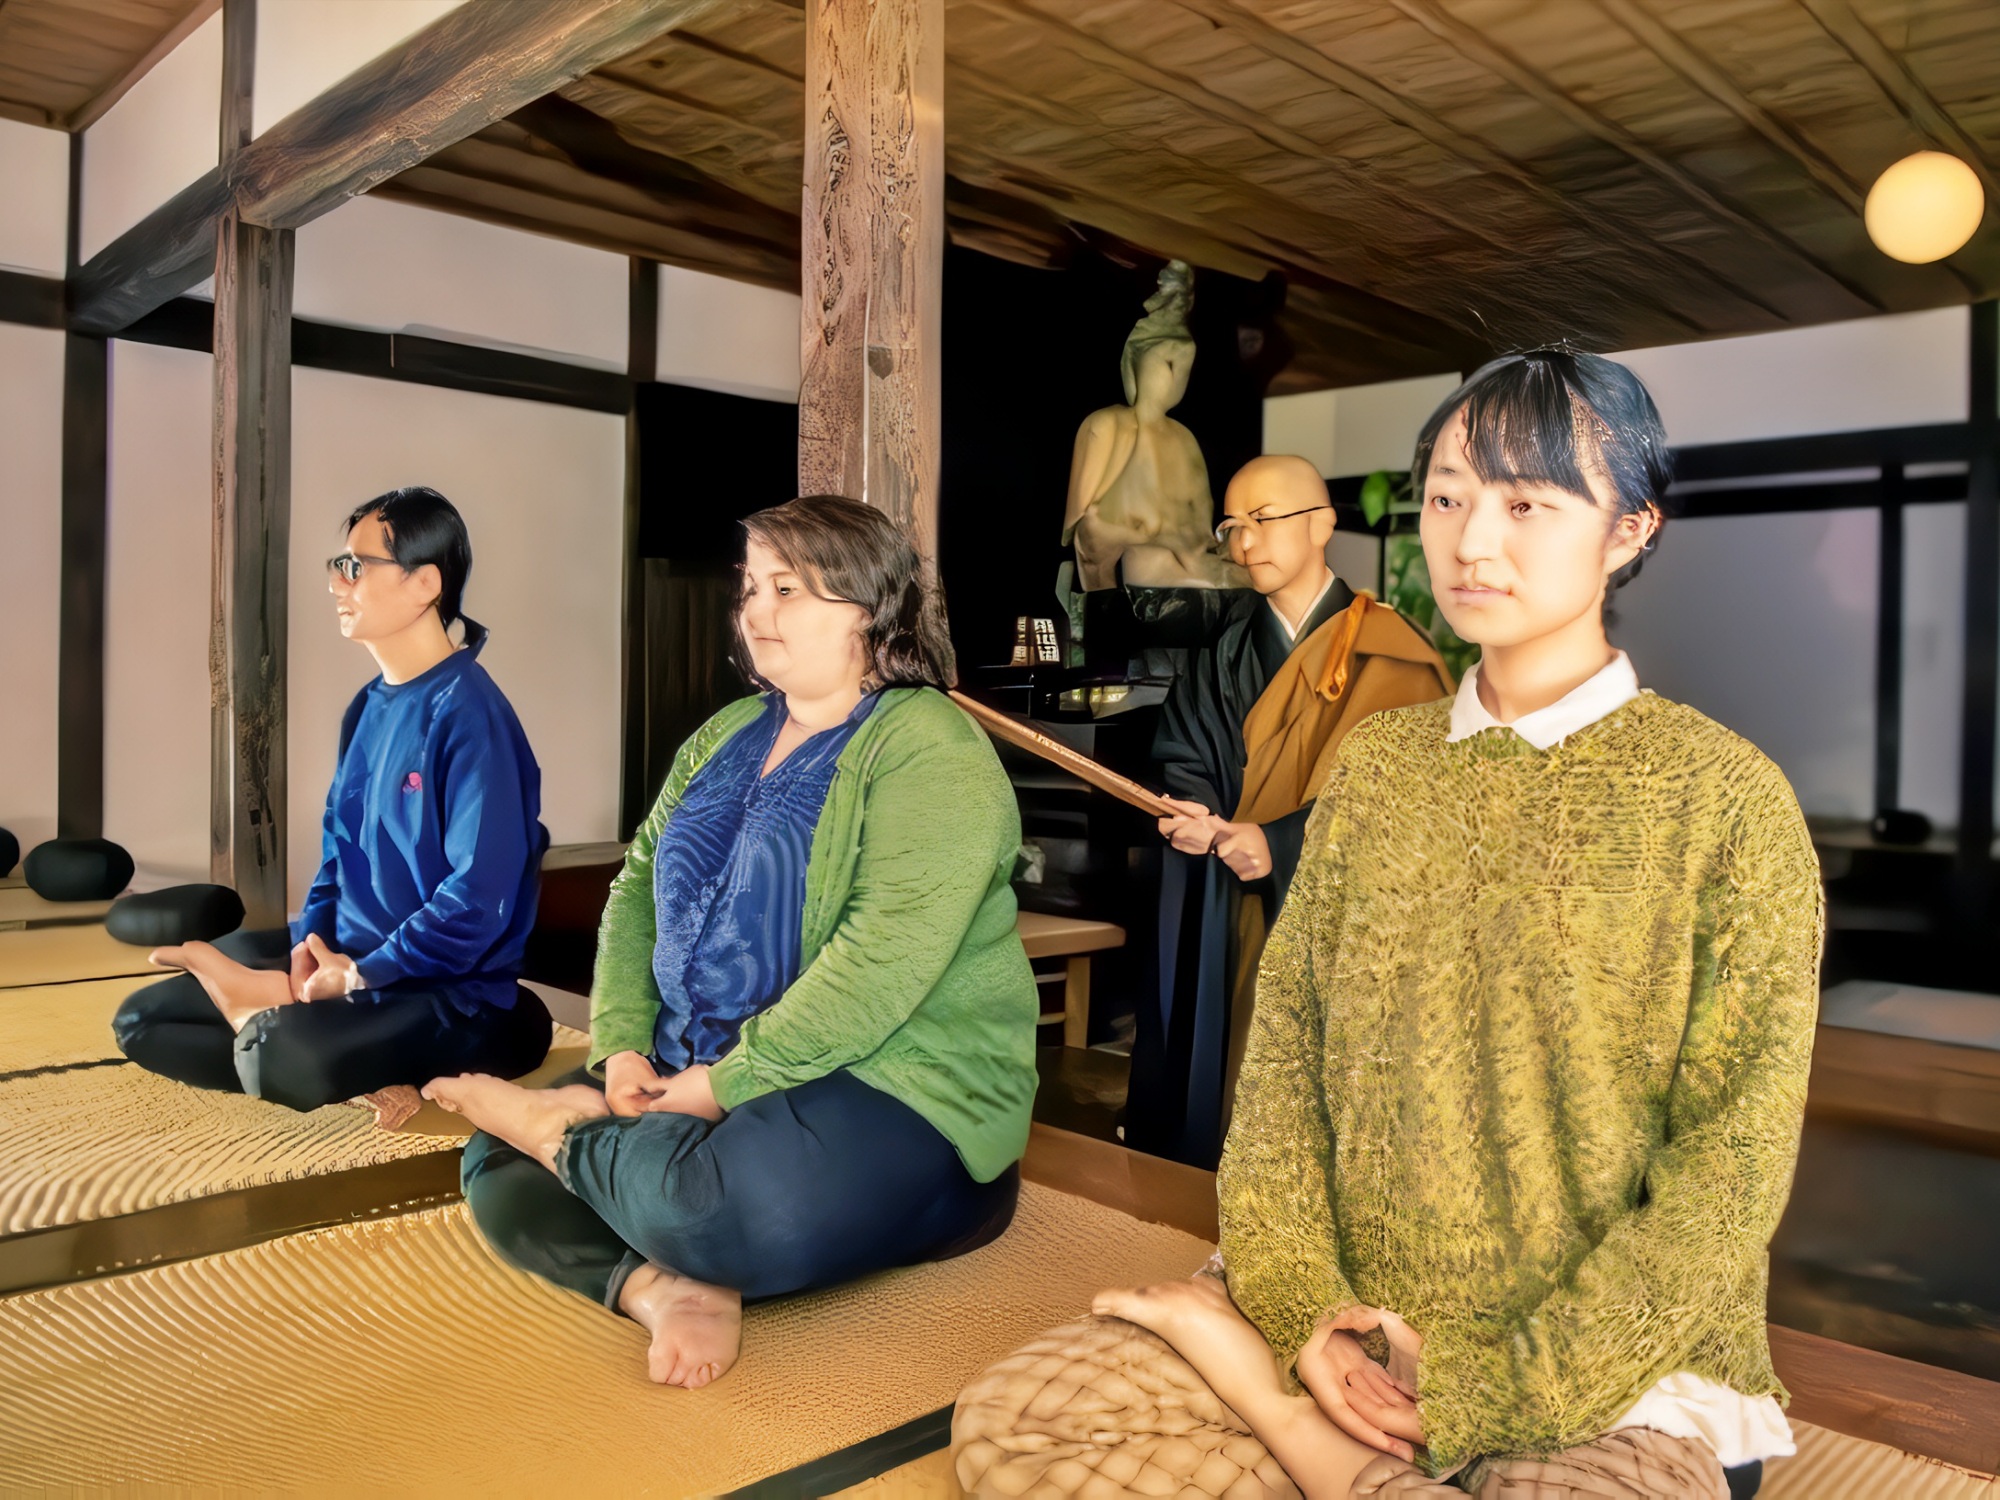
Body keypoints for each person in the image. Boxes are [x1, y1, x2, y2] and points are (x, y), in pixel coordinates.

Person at [962, 353, 1820, 1500]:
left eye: (1526, 504)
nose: (1470, 543)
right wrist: (1298, 1308)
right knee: (1018, 1423)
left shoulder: (1725, 800)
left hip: (1602, 1369)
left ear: (1627, 530)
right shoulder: (1380, 766)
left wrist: (1473, 1390)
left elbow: (1733, 1160)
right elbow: (1283, 1064)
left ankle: (1295, 1441)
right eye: (1450, 496)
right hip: (1341, 1311)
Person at [424, 495, 1038, 1391]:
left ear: (867, 605)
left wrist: (721, 1088)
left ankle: (567, 1141)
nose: (754, 611)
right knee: (487, 1162)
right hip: (692, 1065)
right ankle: (654, 1286)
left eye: (786, 588)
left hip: (887, 1086)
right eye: (751, 587)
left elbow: (881, 962)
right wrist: (625, 1045)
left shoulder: (929, 745)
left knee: (709, 1206)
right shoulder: (725, 734)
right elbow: (634, 894)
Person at [113, 487, 553, 1127]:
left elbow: (476, 904)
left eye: (356, 566)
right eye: (337, 566)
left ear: (424, 582)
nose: (337, 584)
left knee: (278, 1059)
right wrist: (308, 944)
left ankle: (272, 1019)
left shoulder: (471, 716)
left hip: (445, 992)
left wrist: (361, 976)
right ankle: (294, 1017)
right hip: (343, 956)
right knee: (140, 1021)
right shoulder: (367, 706)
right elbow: (337, 852)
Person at [1130, 454, 1452, 1166]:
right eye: (1232, 524)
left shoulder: (1391, 655)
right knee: (1218, 1084)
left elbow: (1409, 801)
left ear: (1323, 525)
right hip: (1227, 894)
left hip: (1332, 912)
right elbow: (1184, 746)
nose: (1245, 541)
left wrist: (1279, 840)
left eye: (1265, 519)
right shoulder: (1224, 649)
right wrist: (1197, 813)